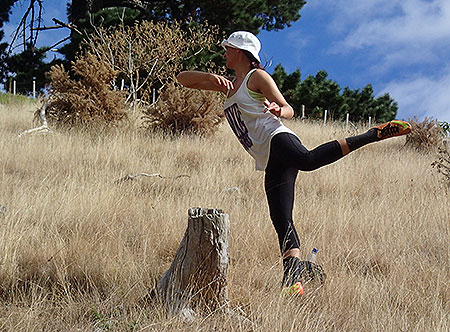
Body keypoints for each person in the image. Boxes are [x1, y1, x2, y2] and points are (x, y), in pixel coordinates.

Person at [176, 31, 411, 294]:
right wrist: (209, 79)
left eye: (228, 48)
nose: (224, 52)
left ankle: (373, 134)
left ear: (240, 52)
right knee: (281, 218)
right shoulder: (230, 85)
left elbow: (287, 108)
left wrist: (279, 110)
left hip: (278, 137)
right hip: (265, 155)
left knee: (307, 160)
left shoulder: (257, 77)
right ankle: (292, 281)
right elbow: (182, 79)